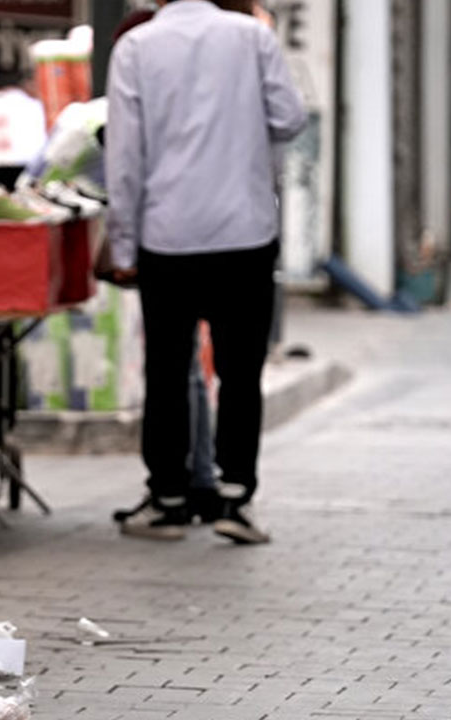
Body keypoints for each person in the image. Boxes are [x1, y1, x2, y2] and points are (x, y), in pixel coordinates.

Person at [104, 0, 306, 543]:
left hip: (166, 236)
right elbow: (290, 117)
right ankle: (235, 498)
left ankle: (168, 499)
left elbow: (124, 158)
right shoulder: (252, 37)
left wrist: (122, 245)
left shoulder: (136, 47)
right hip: (245, 232)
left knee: (168, 370)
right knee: (241, 371)